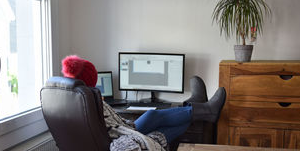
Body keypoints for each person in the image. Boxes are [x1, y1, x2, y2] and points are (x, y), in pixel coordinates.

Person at [61, 55, 226, 144]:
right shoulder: (89, 99)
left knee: (161, 124)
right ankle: (204, 109)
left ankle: (196, 106)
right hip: (122, 137)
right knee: (154, 117)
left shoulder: (76, 99)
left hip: (123, 131)